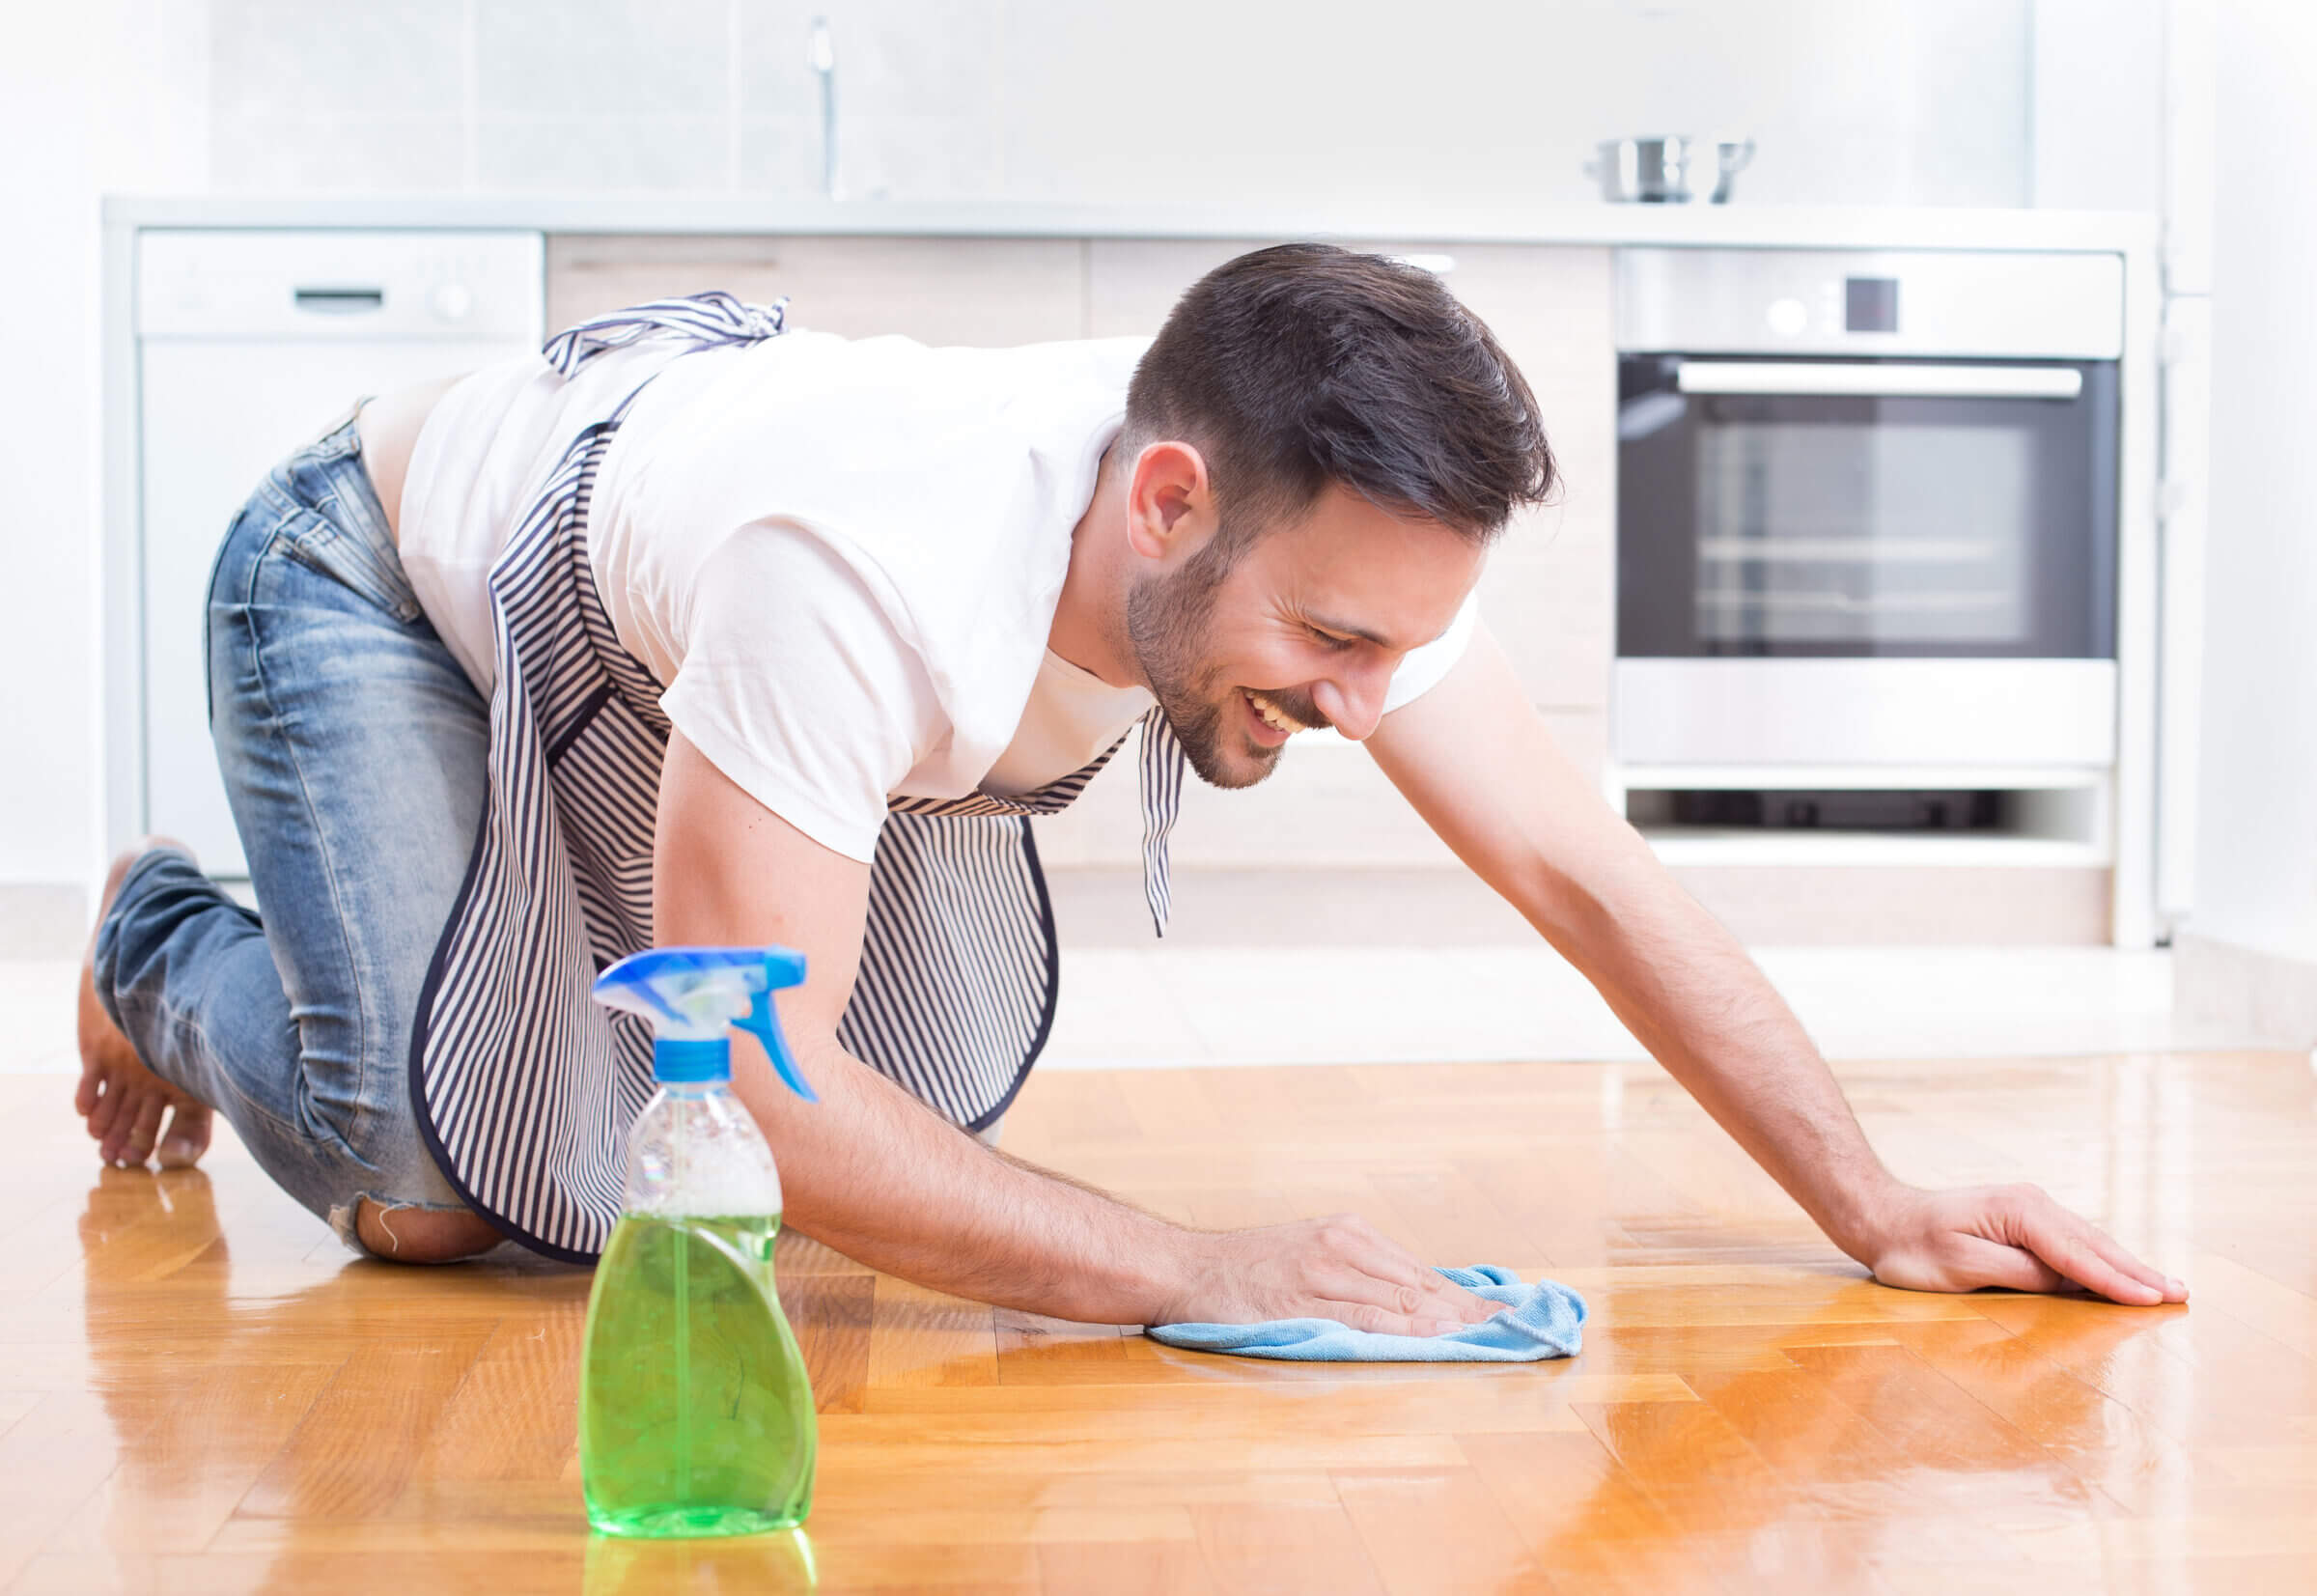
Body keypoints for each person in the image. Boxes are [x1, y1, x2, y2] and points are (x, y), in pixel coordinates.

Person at [78, 244, 2186, 1331]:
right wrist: (1200, 1263)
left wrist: (1879, 1200)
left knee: (704, 1138)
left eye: (1393, 648)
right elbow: (772, 1098)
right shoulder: (856, 580)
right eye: (1337, 648)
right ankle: (157, 947)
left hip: (648, 585)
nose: (1371, 703)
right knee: (439, 1192)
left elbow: (1587, 875)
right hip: (373, 567)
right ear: (1167, 501)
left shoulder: (1321, 534)